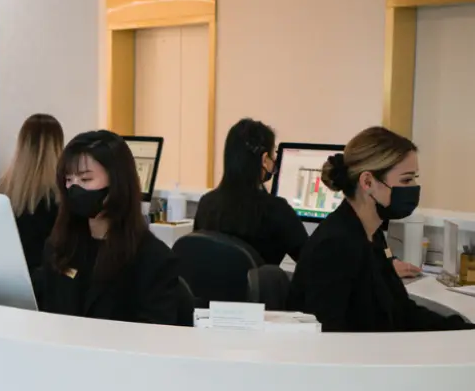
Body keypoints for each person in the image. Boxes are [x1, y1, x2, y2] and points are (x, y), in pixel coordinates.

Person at [288, 126, 472, 332]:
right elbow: (329, 336)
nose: (413, 188)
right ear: (367, 182)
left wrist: (462, 329)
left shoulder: (372, 235)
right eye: (406, 179)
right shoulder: (335, 245)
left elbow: (402, 310)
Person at [32, 130, 193, 326]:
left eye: (85, 180)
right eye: (68, 180)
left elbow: (153, 338)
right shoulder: (59, 247)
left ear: (117, 183)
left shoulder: (153, 259)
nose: (74, 188)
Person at [194, 118, 307, 266]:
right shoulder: (276, 211)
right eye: (273, 155)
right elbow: (312, 264)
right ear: (265, 159)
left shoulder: (206, 204)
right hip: (256, 289)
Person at [0, 114, 64, 270]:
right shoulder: (61, 194)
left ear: (21, 143)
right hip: (45, 281)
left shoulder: (2, 187)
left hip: (9, 275)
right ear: (58, 145)